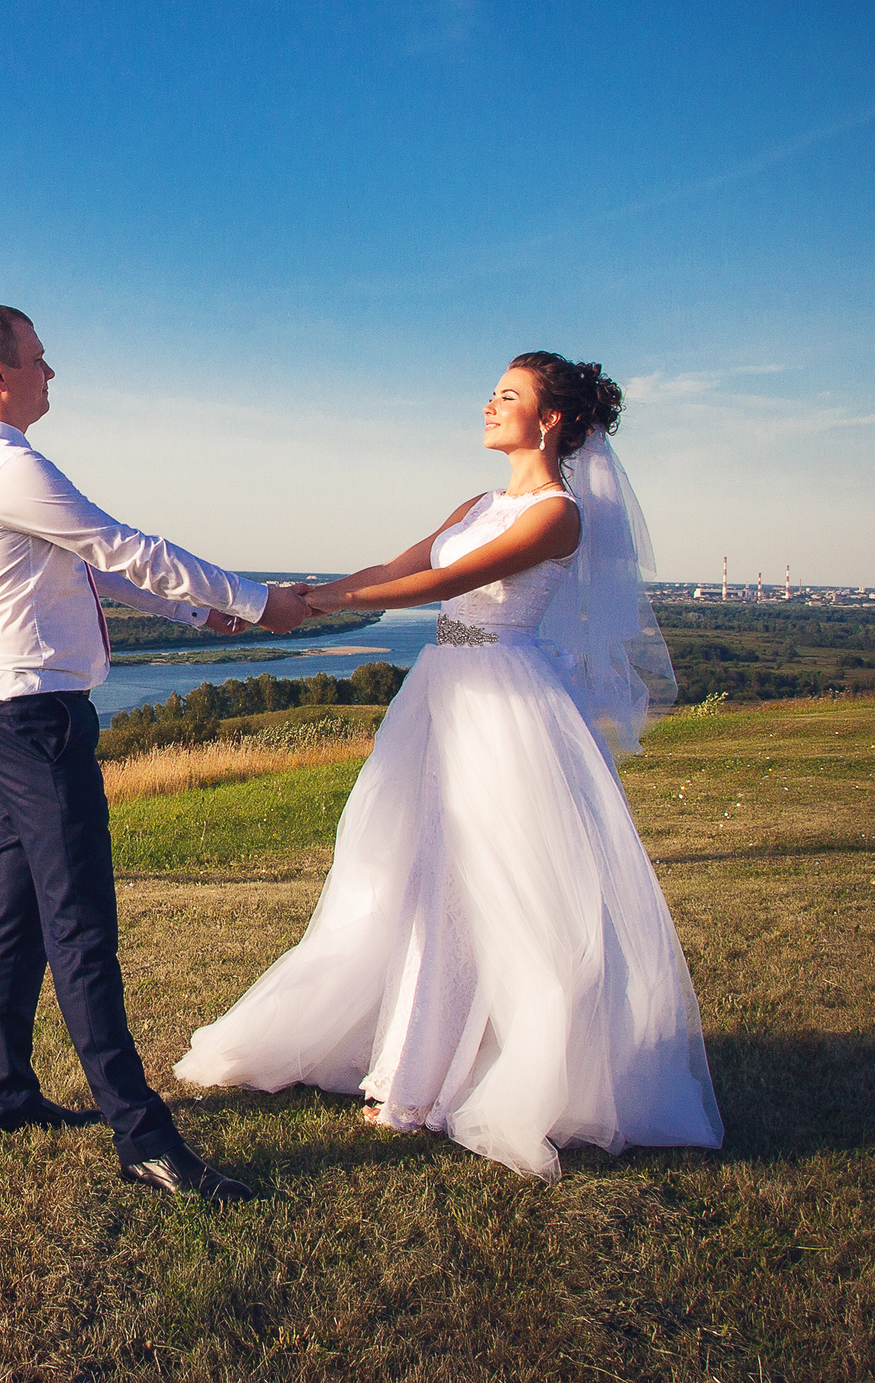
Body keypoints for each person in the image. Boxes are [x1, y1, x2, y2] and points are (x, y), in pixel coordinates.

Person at [174, 352, 722, 1181]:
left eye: (509, 396)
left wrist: (312, 608)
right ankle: (411, 1062)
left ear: (551, 420)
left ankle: (444, 1078)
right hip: (441, 691)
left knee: (488, 887)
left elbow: (443, 582)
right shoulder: (480, 502)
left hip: (506, 704)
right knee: (409, 871)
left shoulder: (556, 516)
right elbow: (394, 569)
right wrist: (286, 598)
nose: (489, 405)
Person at [0, 304, 310, 1203]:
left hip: (9, 709)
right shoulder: (7, 469)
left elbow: (94, 573)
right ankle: (142, 1138)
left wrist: (204, 613)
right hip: (35, 722)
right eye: (39, 358)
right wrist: (262, 604)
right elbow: (127, 547)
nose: (51, 373)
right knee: (80, 928)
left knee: (19, 913)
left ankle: (5, 1095)